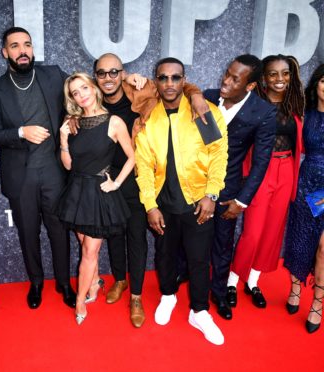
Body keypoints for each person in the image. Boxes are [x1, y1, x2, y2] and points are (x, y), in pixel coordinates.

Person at [91, 53, 208, 328]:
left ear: (123, 73)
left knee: (136, 238)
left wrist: (198, 94)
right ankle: (119, 279)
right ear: (95, 76)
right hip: (106, 181)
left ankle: (136, 295)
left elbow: (176, 86)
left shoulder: (141, 90)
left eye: (114, 72)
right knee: (114, 235)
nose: (108, 78)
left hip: (136, 179)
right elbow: (73, 103)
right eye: (101, 73)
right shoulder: (90, 99)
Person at [134, 57, 228, 345]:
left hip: (198, 202)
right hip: (164, 205)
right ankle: (167, 295)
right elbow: (144, 165)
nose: (170, 84)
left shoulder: (204, 112)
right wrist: (150, 205)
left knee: (199, 260)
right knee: (164, 255)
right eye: (163, 78)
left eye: (176, 78)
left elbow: (218, 156)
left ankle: (199, 311)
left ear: (184, 80)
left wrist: (212, 194)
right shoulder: (149, 119)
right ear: (156, 81)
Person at [0, 27, 76, 309]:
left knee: (59, 230)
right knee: (28, 232)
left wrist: (73, 118)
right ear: (5, 52)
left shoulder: (53, 75)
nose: (22, 51)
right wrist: (21, 132)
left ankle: (63, 282)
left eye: (27, 45)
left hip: (53, 172)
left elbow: (82, 92)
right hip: (20, 176)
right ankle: (36, 282)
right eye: (15, 46)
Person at [57, 72, 135, 324]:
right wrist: (63, 139)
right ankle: (94, 283)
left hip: (100, 193)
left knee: (90, 251)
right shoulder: (73, 122)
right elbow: (68, 165)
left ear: (94, 88)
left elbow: (132, 157)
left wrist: (117, 184)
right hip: (77, 190)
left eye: (84, 88)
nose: (81, 96)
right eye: (75, 93)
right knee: (85, 246)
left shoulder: (114, 122)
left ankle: (80, 302)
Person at [204, 55, 277, 320]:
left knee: (223, 244)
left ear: (249, 86)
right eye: (227, 73)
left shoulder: (263, 111)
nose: (226, 81)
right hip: (194, 185)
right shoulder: (207, 97)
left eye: (236, 78)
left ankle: (219, 293)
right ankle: (182, 275)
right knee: (188, 237)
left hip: (228, 189)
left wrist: (242, 201)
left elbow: (260, 163)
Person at [228, 55, 304, 308]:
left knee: (272, 233)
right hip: (261, 171)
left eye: (285, 73)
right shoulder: (254, 105)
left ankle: (253, 281)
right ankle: (231, 281)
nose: (279, 79)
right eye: (273, 73)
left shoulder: (295, 106)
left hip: (287, 170)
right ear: (263, 78)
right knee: (252, 232)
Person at [284, 64, 324, 333]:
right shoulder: (305, 115)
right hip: (306, 184)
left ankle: (317, 304)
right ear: (317, 85)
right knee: (300, 242)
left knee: (323, 248)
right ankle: (296, 287)